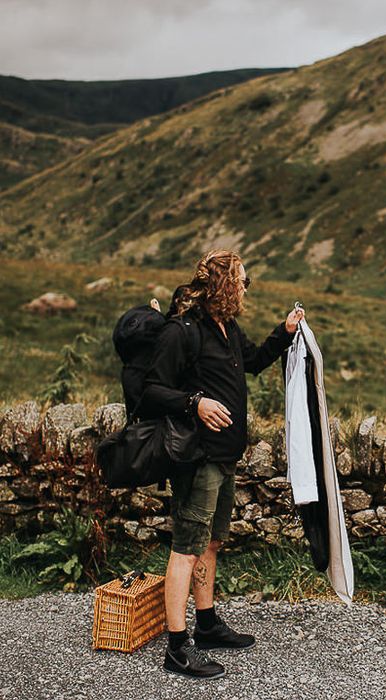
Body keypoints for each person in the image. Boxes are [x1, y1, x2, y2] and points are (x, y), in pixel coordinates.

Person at [142, 249, 304, 679]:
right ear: (225, 284)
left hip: (224, 456)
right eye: (243, 281)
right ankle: (178, 648)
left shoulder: (226, 326)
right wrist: (195, 402)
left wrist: (284, 333)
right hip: (197, 459)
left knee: (211, 543)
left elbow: (251, 363)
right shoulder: (184, 331)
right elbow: (150, 390)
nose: (247, 289)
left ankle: (207, 623)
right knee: (186, 549)